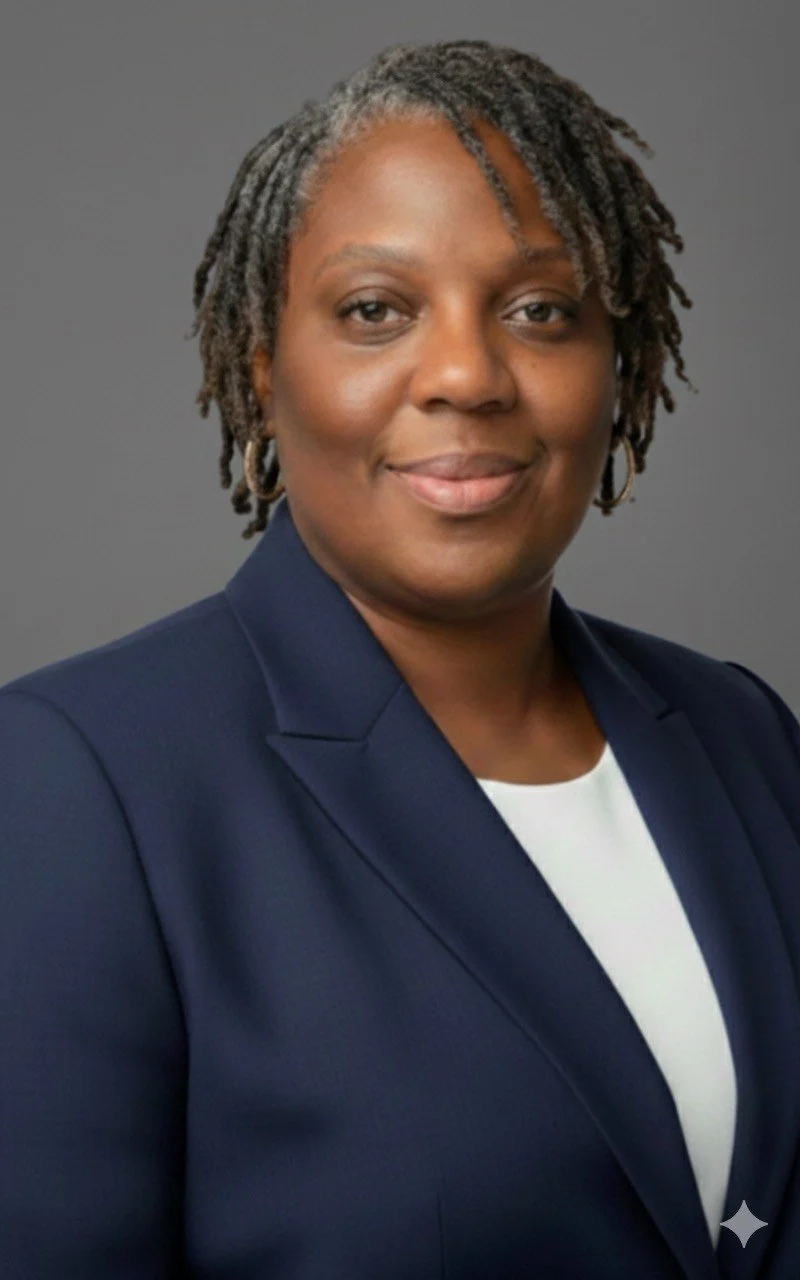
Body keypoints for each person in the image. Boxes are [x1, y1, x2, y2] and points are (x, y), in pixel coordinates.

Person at [2, 37, 800, 1280]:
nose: (467, 375)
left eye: (540, 310)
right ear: (265, 372)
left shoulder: (741, 730)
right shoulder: (75, 780)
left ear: (619, 362)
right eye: (375, 311)